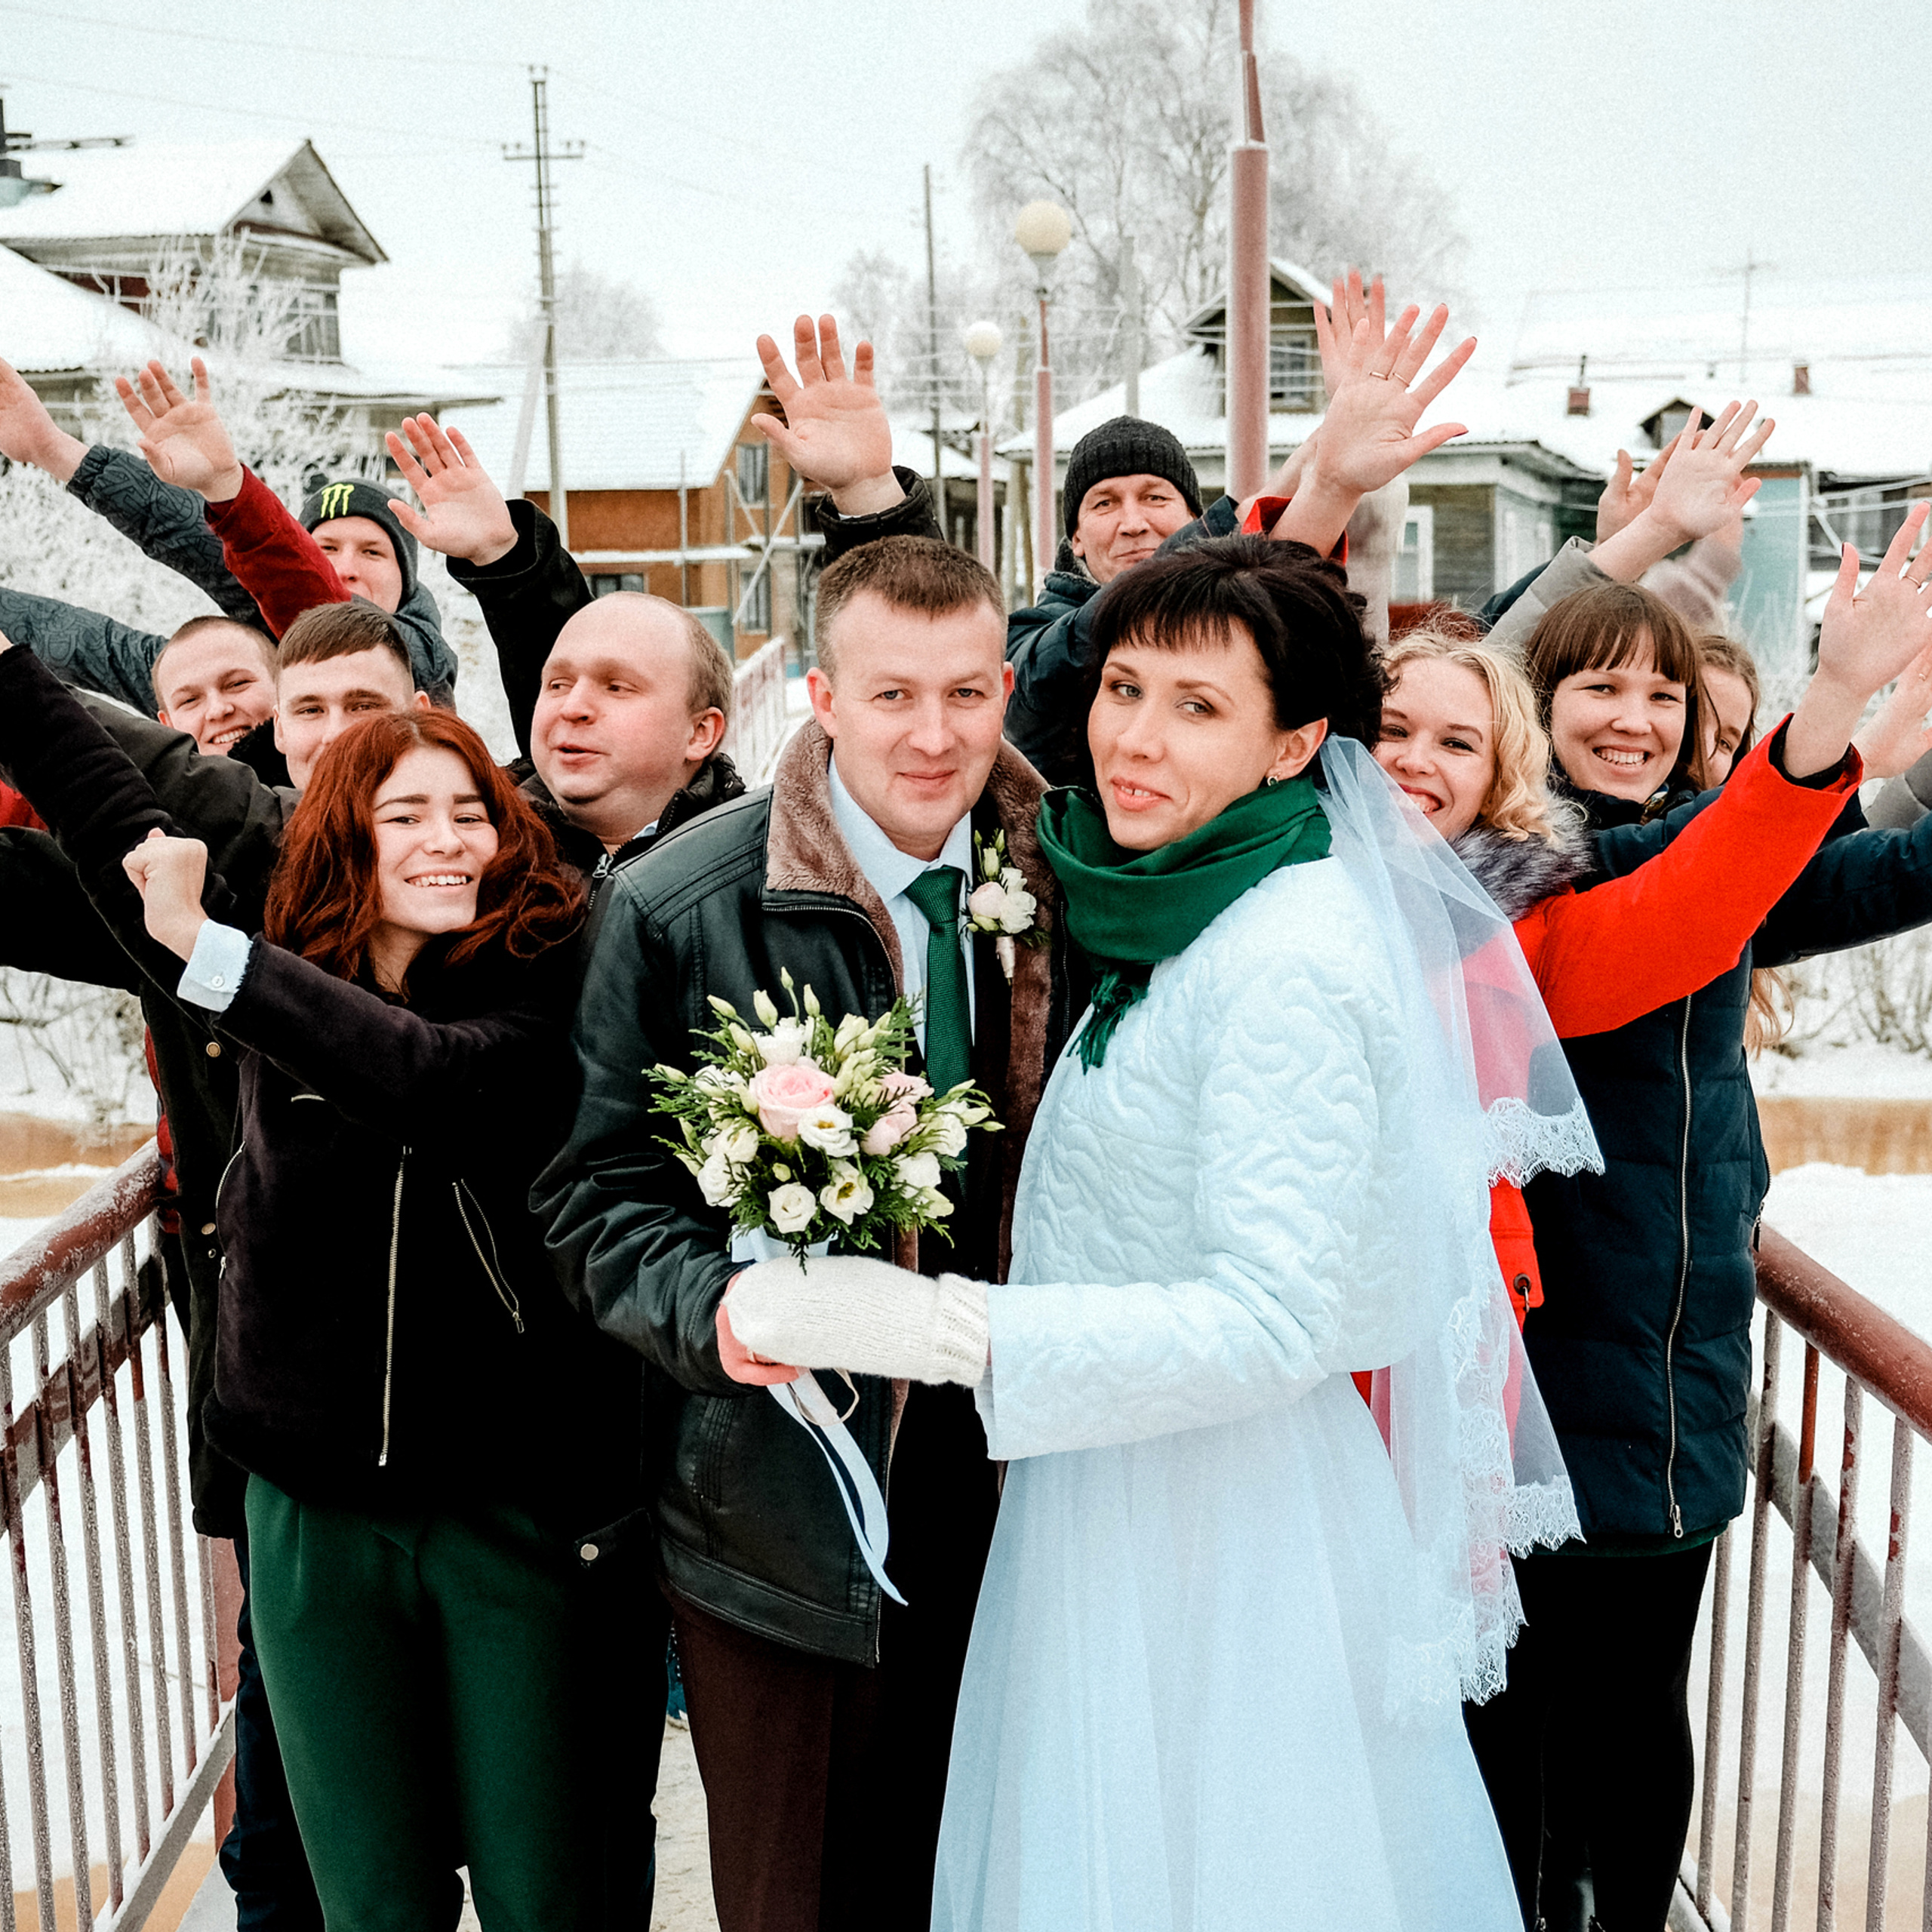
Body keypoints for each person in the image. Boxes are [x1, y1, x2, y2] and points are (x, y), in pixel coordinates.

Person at [719, 536, 1588, 1932]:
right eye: (1124, 689)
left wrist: (935, 1327)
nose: (1134, 739)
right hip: (1113, 1480)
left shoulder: (1288, 956)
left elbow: (1277, 1319)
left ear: (1294, 745)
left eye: (1197, 708)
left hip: (1221, 1523)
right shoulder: (1177, 909)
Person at [536, 534, 1083, 1932]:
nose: (934, 736)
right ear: (824, 698)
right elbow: (592, 1195)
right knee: (800, 1894)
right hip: (778, 1496)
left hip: (1023, 1478)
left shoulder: (1073, 875)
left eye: (966, 693)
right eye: (893, 695)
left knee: (990, 1877)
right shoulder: (676, 904)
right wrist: (717, 1313)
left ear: (1006, 686)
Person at [1463, 507, 1932, 1930]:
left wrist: (1882, 759)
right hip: (1528, 1362)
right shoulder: (1501, 871)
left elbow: (1876, 872)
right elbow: (1682, 863)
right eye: (1599, 685)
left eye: (1664, 695)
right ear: (1538, 705)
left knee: (1636, 1710)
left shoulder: (1722, 875)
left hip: (1673, 1367)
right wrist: (1839, 725)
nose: (1636, 716)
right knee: (1510, 1717)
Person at [108, 707, 609, 1931]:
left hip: (506, 1506)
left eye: (471, 813)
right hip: (312, 1515)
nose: (447, 839)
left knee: (546, 1893)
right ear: (348, 837)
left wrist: (213, 952)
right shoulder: (282, 969)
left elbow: (427, 1079)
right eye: (406, 815)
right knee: (372, 1904)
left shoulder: (548, 973)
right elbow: (103, 812)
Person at [754, 277, 1472, 785]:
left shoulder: (1256, 618)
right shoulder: (1029, 645)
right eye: (1103, 504)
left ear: (1191, 519)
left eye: (1156, 497)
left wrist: (1331, 476)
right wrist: (868, 492)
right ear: (1074, 542)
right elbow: (927, 628)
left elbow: (1276, 589)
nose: (1132, 521)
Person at [0, 352, 457, 703]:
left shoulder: (421, 660)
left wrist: (226, 488)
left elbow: (293, 586)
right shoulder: (233, 676)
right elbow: (96, 647)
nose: (345, 568)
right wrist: (48, 448)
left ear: (408, 579)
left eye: (372, 551)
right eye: (324, 550)